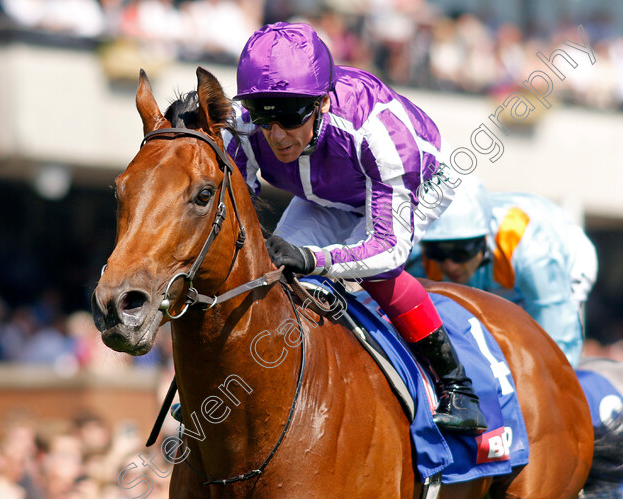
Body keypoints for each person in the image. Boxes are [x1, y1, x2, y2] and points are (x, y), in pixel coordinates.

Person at [224, 22, 486, 433]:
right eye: (261, 115)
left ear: (322, 103)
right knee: (267, 272)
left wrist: (312, 258)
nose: (275, 134)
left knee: (371, 272)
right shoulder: (242, 128)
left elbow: (387, 247)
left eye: (291, 116)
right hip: (331, 190)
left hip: (419, 179)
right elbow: (235, 219)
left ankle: (457, 387)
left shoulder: (378, 133)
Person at [408, 177, 598, 366]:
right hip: (501, 272)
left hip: (564, 263)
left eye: (461, 251)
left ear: (484, 239)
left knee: (535, 341)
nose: (450, 265)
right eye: (437, 252)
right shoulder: (419, 254)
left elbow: (557, 331)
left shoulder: (531, 251)